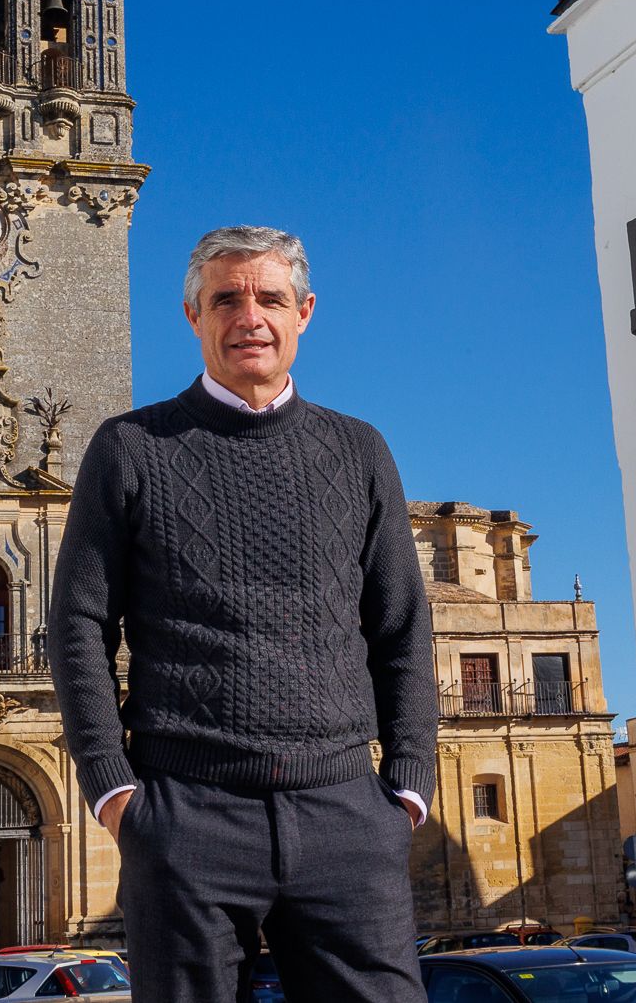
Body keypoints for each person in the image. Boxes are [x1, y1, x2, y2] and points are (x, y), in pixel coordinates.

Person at [50, 225, 436, 1003]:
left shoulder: (360, 451)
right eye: (226, 297)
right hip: (185, 818)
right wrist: (114, 791)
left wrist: (408, 786)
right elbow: (78, 622)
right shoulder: (128, 447)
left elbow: (401, 625)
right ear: (194, 314)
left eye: (270, 297)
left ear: (304, 312)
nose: (249, 315)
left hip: (346, 817)